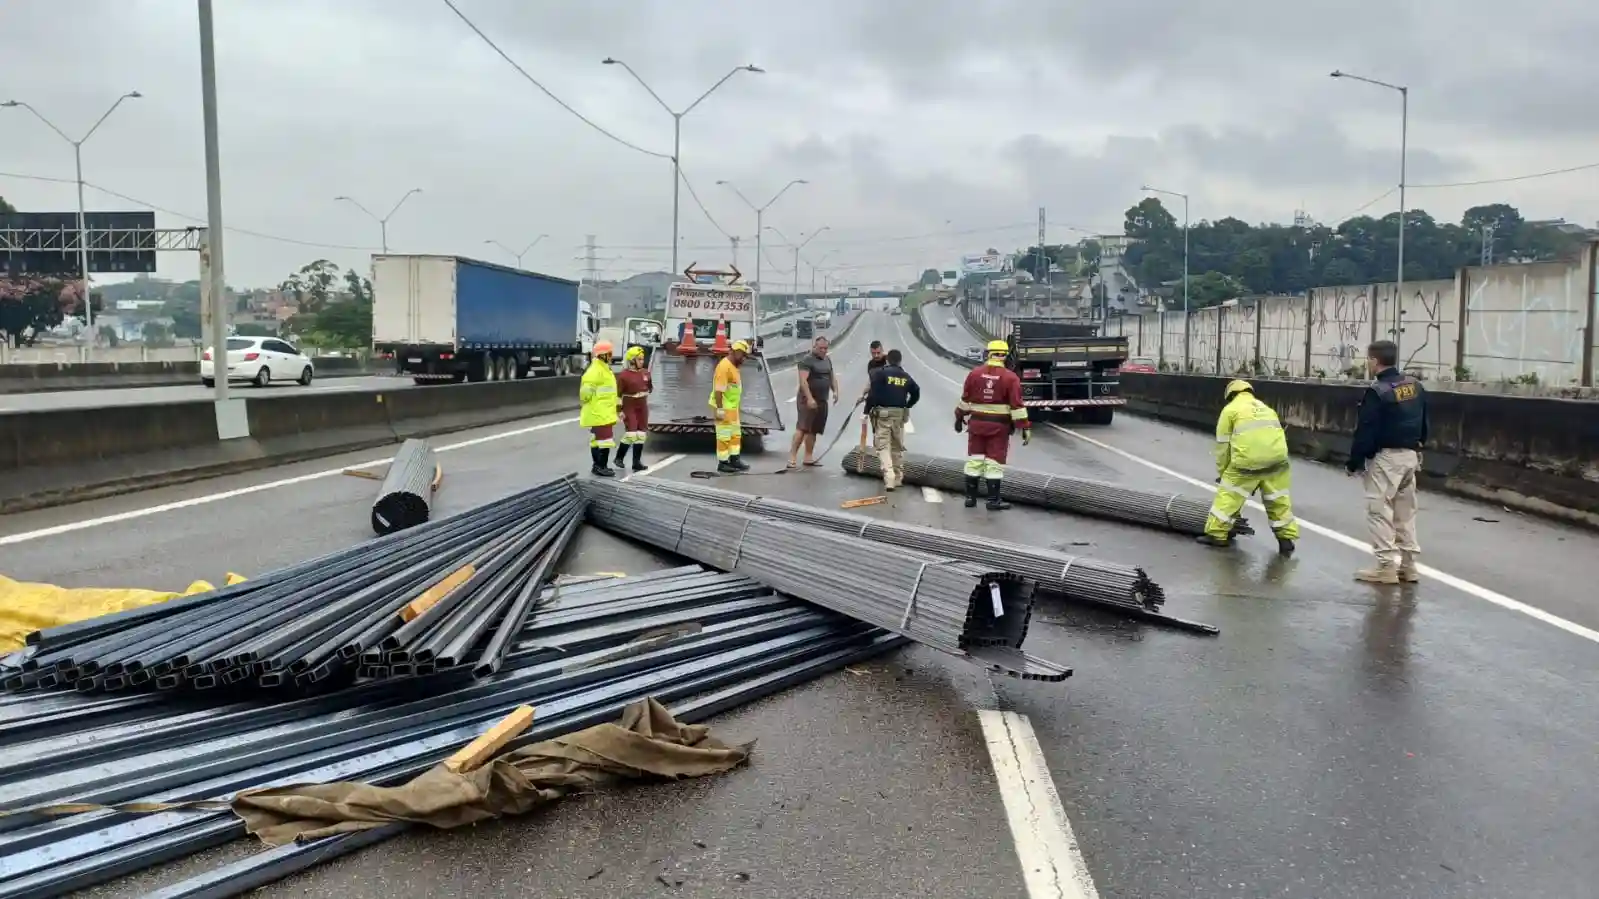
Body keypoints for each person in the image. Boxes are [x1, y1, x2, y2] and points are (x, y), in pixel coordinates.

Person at [1346, 339, 1428, 584]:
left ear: (1374, 360)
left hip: (1386, 458)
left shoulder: (1377, 391)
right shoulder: (1414, 385)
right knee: (1406, 512)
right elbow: (1424, 421)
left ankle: (1385, 566)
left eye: (1368, 359)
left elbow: (1366, 430)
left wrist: (1355, 461)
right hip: (1411, 455)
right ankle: (1409, 566)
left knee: (1378, 510)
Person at [1199, 380, 1299, 555]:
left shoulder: (1230, 410)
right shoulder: (1267, 409)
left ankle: (1217, 534)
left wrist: (1223, 473)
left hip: (1247, 463)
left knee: (1228, 496)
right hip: (1277, 461)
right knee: (1278, 501)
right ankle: (1286, 540)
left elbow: (1223, 447)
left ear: (1230, 395)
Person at [954, 339, 1029, 510]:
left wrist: (958, 418)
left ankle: (970, 498)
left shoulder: (974, 374)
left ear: (988, 353)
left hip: (976, 425)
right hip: (999, 428)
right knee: (994, 463)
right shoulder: (1011, 378)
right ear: (1004, 356)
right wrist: (1025, 427)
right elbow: (1017, 406)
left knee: (974, 461)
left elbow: (965, 401)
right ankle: (993, 500)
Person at [865, 349, 920, 490]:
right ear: (900, 361)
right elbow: (916, 391)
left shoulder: (881, 374)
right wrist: (908, 405)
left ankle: (889, 476)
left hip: (883, 414)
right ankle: (898, 477)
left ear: (888, 360)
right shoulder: (905, 376)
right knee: (897, 446)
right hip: (899, 414)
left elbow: (872, 394)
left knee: (883, 446)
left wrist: (866, 412)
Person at [789, 336, 838, 468]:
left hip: (822, 400)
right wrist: (810, 398)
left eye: (825, 348)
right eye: (820, 348)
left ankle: (808, 457)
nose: (823, 350)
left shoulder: (827, 360)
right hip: (807, 400)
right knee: (803, 428)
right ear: (814, 347)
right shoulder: (807, 360)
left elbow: (832, 377)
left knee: (814, 429)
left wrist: (835, 391)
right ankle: (792, 457)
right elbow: (803, 381)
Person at [579, 341, 620, 477]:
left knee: (598, 440)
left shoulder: (603, 368)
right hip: (599, 412)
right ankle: (601, 466)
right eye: (609, 353)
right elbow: (585, 394)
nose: (611, 356)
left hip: (602, 411)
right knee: (604, 440)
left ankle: (597, 466)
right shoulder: (596, 371)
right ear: (603, 355)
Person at [710, 340, 752, 473]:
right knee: (723, 436)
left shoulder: (734, 366)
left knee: (735, 435)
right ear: (735, 352)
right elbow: (718, 391)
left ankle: (735, 459)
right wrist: (720, 409)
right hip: (724, 407)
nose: (744, 359)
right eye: (743, 355)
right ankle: (723, 463)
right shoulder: (724, 367)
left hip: (732, 408)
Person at [613, 345, 653, 472]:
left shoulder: (646, 373)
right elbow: (618, 395)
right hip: (630, 405)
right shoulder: (624, 376)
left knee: (641, 435)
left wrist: (645, 391)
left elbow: (650, 387)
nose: (642, 361)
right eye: (639, 359)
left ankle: (636, 462)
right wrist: (619, 410)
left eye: (642, 359)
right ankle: (619, 458)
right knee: (631, 433)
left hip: (642, 406)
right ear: (632, 360)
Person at [858, 340, 889, 447]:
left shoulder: (889, 361)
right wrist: (862, 394)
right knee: (877, 432)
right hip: (875, 403)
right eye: (873, 353)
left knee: (889, 433)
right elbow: (871, 381)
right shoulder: (871, 364)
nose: (876, 355)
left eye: (878, 353)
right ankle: (879, 453)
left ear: (882, 351)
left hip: (890, 403)